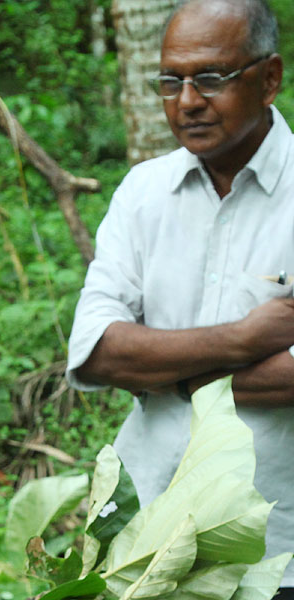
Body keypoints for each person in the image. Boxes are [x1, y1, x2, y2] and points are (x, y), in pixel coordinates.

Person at [66, 0, 294, 590]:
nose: (187, 101)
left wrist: (167, 372)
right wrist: (242, 339)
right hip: (144, 536)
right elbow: (97, 350)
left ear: (269, 78)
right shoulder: (144, 192)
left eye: (211, 78)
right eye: (171, 80)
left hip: (277, 546)